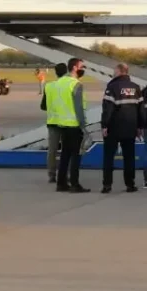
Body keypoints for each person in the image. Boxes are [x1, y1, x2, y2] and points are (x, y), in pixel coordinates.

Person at [101, 63, 143, 193]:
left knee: (109, 157)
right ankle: (130, 184)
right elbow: (141, 110)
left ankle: (107, 185)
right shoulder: (136, 88)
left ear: (119, 71)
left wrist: (104, 125)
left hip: (114, 128)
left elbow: (107, 109)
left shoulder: (112, 87)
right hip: (130, 127)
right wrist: (140, 126)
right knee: (129, 157)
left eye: (114, 70)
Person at [53, 58, 90, 193]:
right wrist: (83, 126)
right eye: (82, 66)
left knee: (65, 154)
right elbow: (78, 107)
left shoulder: (59, 83)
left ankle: (61, 183)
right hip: (74, 124)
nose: (83, 69)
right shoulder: (76, 84)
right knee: (76, 155)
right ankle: (74, 183)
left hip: (62, 123)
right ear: (75, 68)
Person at [39, 63, 67, 184]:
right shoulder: (69, 86)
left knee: (52, 150)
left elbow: (43, 106)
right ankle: (64, 173)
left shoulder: (49, 86)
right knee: (67, 150)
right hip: (67, 122)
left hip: (52, 122)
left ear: (55, 72)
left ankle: (51, 174)